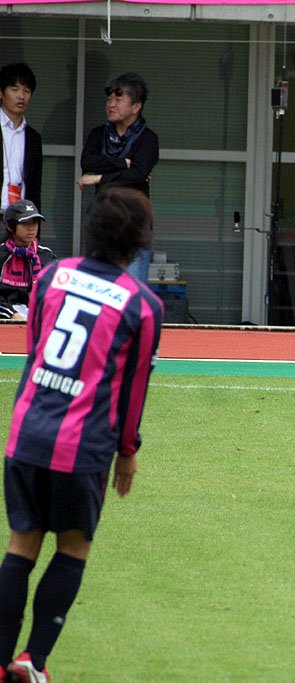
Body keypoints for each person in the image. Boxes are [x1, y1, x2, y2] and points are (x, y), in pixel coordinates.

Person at [0, 187, 163, 683]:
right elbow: (134, 390)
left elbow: (34, 355)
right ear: (138, 241)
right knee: (72, 548)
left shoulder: (51, 277)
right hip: (81, 446)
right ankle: (33, 660)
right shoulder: (143, 305)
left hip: (27, 434)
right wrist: (128, 452)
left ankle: (1, 663)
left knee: (21, 547)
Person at [78, 73, 160, 285]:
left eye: (118, 99)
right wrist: (123, 163)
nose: (111, 104)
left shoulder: (148, 139)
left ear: (136, 106)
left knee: (130, 286)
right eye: (109, 100)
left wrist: (99, 178)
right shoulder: (99, 134)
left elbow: (138, 174)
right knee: (97, 286)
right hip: (102, 220)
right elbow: (87, 162)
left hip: (134, 224)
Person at [0, 200, 56, 321]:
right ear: (10, 226)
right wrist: (11, 314)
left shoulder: (47, 256)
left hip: (38, 319)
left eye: (34, 223)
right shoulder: (1, 255)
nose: (31, 229)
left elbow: (56, 294)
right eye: (25, 223)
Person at [1, 64, 42, 213]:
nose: (21, 96)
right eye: (14, 89)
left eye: (27, 91)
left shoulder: (33, 138)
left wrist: (34, 220)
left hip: (21, 217)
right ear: (1, 93)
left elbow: (35, 187)